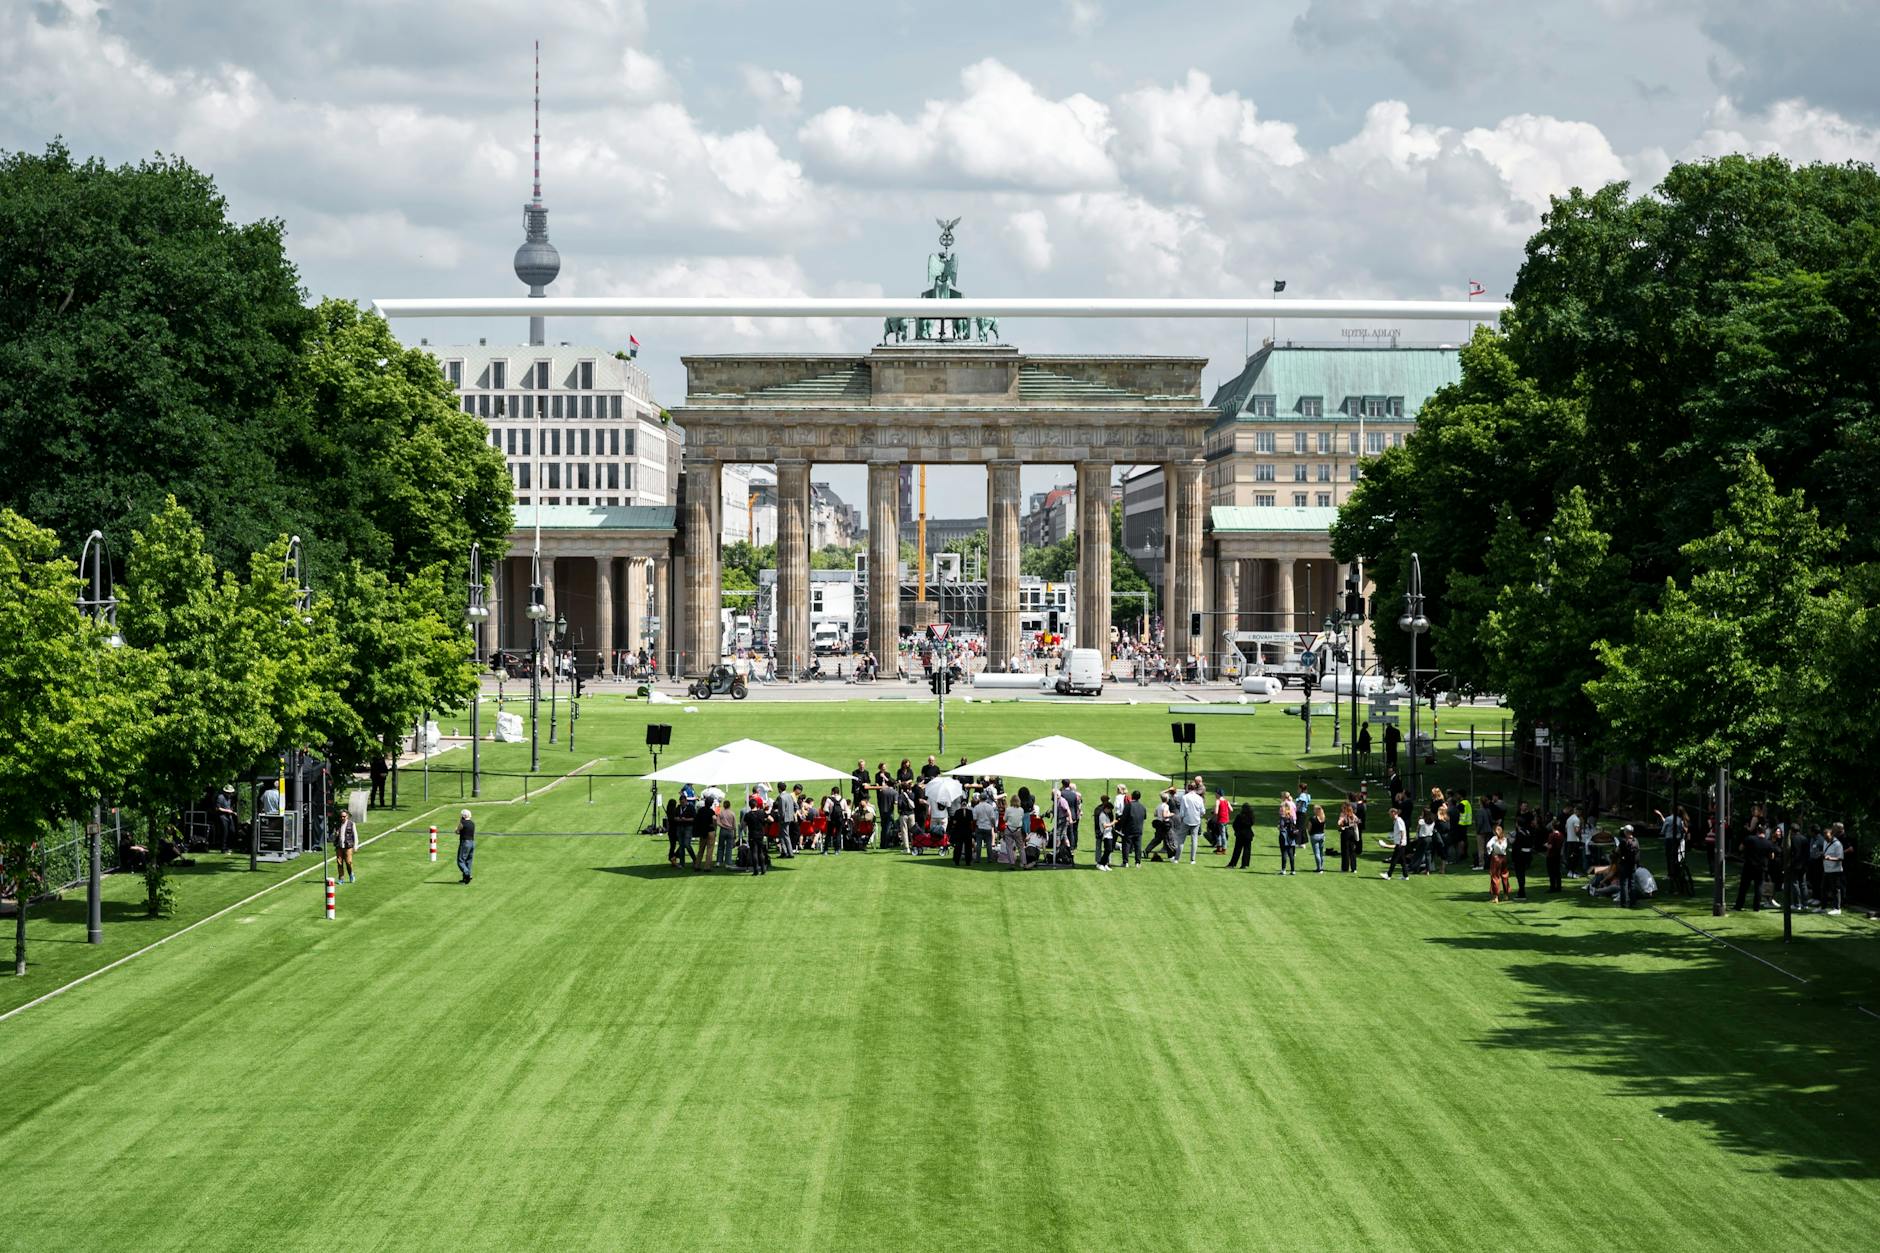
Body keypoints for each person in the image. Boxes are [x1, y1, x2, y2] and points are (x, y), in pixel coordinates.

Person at [1736, 823, 1776, 911]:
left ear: (1757, 831)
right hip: (1761, 867)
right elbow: (1772, 856)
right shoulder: (1768, 843)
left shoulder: (1749, 839)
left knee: (1744, 887)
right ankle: (1756, 907)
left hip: (1749, 866)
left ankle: (1739, 905)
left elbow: (1740, 848)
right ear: (1764, 833)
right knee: (1758, 887)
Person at [1510, 808, 1539, 900]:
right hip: (1526, 856)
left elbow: (1516, 846)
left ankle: (1521, 893)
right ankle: (1521, 891)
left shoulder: (1520, 834)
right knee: (1521, 875)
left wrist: (1511, 843)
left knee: (1520, 875)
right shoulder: (1527, 832)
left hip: (1520, 857)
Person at [1176, 782, 1205, 863]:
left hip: (1186, 820)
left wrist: (1181, 819)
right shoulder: (1199, 798)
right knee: (1194, 840)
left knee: (1181, 839)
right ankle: (1192, 859)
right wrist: (1199, 815)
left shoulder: (1185, 797)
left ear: (1188, 789)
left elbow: (1182, 812)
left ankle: (1177, 859)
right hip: (1196, 820)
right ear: (1195, 788)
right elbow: (1203, 811)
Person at [743, 795, 771, 876]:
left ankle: (756, 870)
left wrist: (746, 828)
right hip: (760, 834)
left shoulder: (748, 815)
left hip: (752, 834)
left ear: (750, 806)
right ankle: (763, 869)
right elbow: (771, 819)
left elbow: (743, 825)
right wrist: (765, 821)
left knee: (754, 852)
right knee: (760, 852)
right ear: (756, 805)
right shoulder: (761, 812)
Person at [1822, 823, 1846, 915]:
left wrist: (1830, 858)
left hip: (1835, 871)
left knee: (1835, 889)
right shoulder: (1825, 842)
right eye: (1825, 837)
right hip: (1826, 869)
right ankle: (1823, 907)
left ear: (1832, 835)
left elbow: (1841, 858)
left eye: (1827, 837)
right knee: (1823, 888)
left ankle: (1837, 908)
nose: (1826, 839)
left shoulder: (1838, 844)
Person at [1381, 806, 1411, 880]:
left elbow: (1402, 831)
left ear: (1394, 813)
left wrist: (1401, 841)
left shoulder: (1398, 820)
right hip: (1401, 843)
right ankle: (1405, 876)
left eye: (1390, 814)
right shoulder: (1396, 820)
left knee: (1394, 860)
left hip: (1400, 844)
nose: (1389, 815)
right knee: (1402, 861)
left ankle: (1388, 875)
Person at [1616, 824, 1641, 907]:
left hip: (1625, 864)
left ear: (1626, 832)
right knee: (1632, 883)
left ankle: (1623, 903)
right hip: (1633, 864)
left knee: (1623, 884)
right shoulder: (1636, 841)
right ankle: (1633, 902)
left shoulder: (1624, 842)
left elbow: (1617, 851)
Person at [1120, 790, 1146, 867]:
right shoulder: (1142, 806)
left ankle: (1125, 862)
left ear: (1132, 796)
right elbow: (1144, 817)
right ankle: (1138, 862)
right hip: (1139, 828)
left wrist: (1121, 826)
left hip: (1129, 828)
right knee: (1138, 846)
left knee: (1126, 845)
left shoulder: (1128, 805)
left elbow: (1124, 818)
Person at [1226, 801, 1256, 869]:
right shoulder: (1251, 817)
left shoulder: (1239, 816)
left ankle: (1233, 864)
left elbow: (1234, 825)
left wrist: (1237, 831)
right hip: (1248, 834)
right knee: (1247, 850)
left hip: (1240, 834)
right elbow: (1251, 823)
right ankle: (1244, 864)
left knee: (1237, 850)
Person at [1485, 823, 1510, 902]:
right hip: (1504, 858)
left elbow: (1488, 845)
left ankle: (1495, 897)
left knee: (1495, 876)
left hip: (1496, 858)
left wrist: (1490, 851)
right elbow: (1504, 848)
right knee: (1505, 875)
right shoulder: (1505, 839)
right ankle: (1506, 895)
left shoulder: (1494, 838)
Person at [972, 789, 998, 863]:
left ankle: (978, 859)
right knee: (989, 844)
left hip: (979, 826)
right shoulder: (990, 807)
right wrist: (994, 827)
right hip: (988, 827)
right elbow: (992, 818)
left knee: (979, 844)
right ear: (986, 798)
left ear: (980, 798)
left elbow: (974, 818)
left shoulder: (976, 807)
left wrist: (975, 826)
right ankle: (989, 859)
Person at [1277, 791, 1298, 876]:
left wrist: (1279, 827)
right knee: (1291, 853)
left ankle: (1283, 869)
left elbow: (1281, 826)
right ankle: (1293, 870)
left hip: (1284, 836)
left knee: (1284, 853)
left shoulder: (1283, 818)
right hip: (1291, 836)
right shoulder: (1291, 817)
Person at [333, 809, 358, 883]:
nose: (342, 818)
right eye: (341, 816)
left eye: (344, 816)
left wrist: (355, 846)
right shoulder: (337, 824)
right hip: (339, 846)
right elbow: (333, 836)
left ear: (347, 816)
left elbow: (355, 835)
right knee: (339, 862)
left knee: (348, 862)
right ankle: (341, 878)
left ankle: (351, 874)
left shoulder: (351, 824)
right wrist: (335, 835)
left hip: (348, 846)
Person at [1337, 800, 1359, 873]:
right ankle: (1354, 868)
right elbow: (1357, 821)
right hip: (1352, 832)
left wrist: (1340, 822)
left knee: (1345, 850)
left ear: (1344, 807)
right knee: (1352, 850)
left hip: (1345, 832)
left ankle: (1345, 868)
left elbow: (1339, 822)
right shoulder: (1352, 814)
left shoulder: (1343, 814)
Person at [1094, 797, 1116, 870]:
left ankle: (1105, 863)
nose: (1110, 811)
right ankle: (1101, 863)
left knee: (1108, 850)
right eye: (1110, 809)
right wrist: (1113, 823)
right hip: (1105, 834)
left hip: (1108, 834)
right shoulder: (1102, 814)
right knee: (1108, 850)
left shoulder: (1105, 813)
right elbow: (1105, 825)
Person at [455, 809, 476, 884]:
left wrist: (457, 829)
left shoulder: (462, 823)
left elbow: (457, 831)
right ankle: (465, 879)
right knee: (468, 860)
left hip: (465, 843)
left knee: (460, 860)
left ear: (463, 816)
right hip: (472, 842)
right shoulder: (472, 823)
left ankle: (467, 874)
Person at [1308, 803, 1328, 874]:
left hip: (1314, 836)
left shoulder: (1312, 819)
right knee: (1321, 852)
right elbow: (1324, 828)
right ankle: (1321, 867)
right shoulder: (1323, 818)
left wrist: (1309, 834)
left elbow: (1309, 828)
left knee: (1317, 853)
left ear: (1316, 811)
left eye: (1314, 809)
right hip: (1321, 835)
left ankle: (1319, 868)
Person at [1213, 789, 1232, 855]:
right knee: (1219, 833)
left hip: (1221, 820)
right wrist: (1225, 812)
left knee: (1222, 834)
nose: (1215, 795)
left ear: (1218, 794)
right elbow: (1231, 809)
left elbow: (1216, 812)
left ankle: (1223, 849)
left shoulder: (1218, 801)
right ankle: (1219, 848)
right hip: (1226, 819)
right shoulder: (1226, 801)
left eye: (1215, 793)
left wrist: (1214, 812)